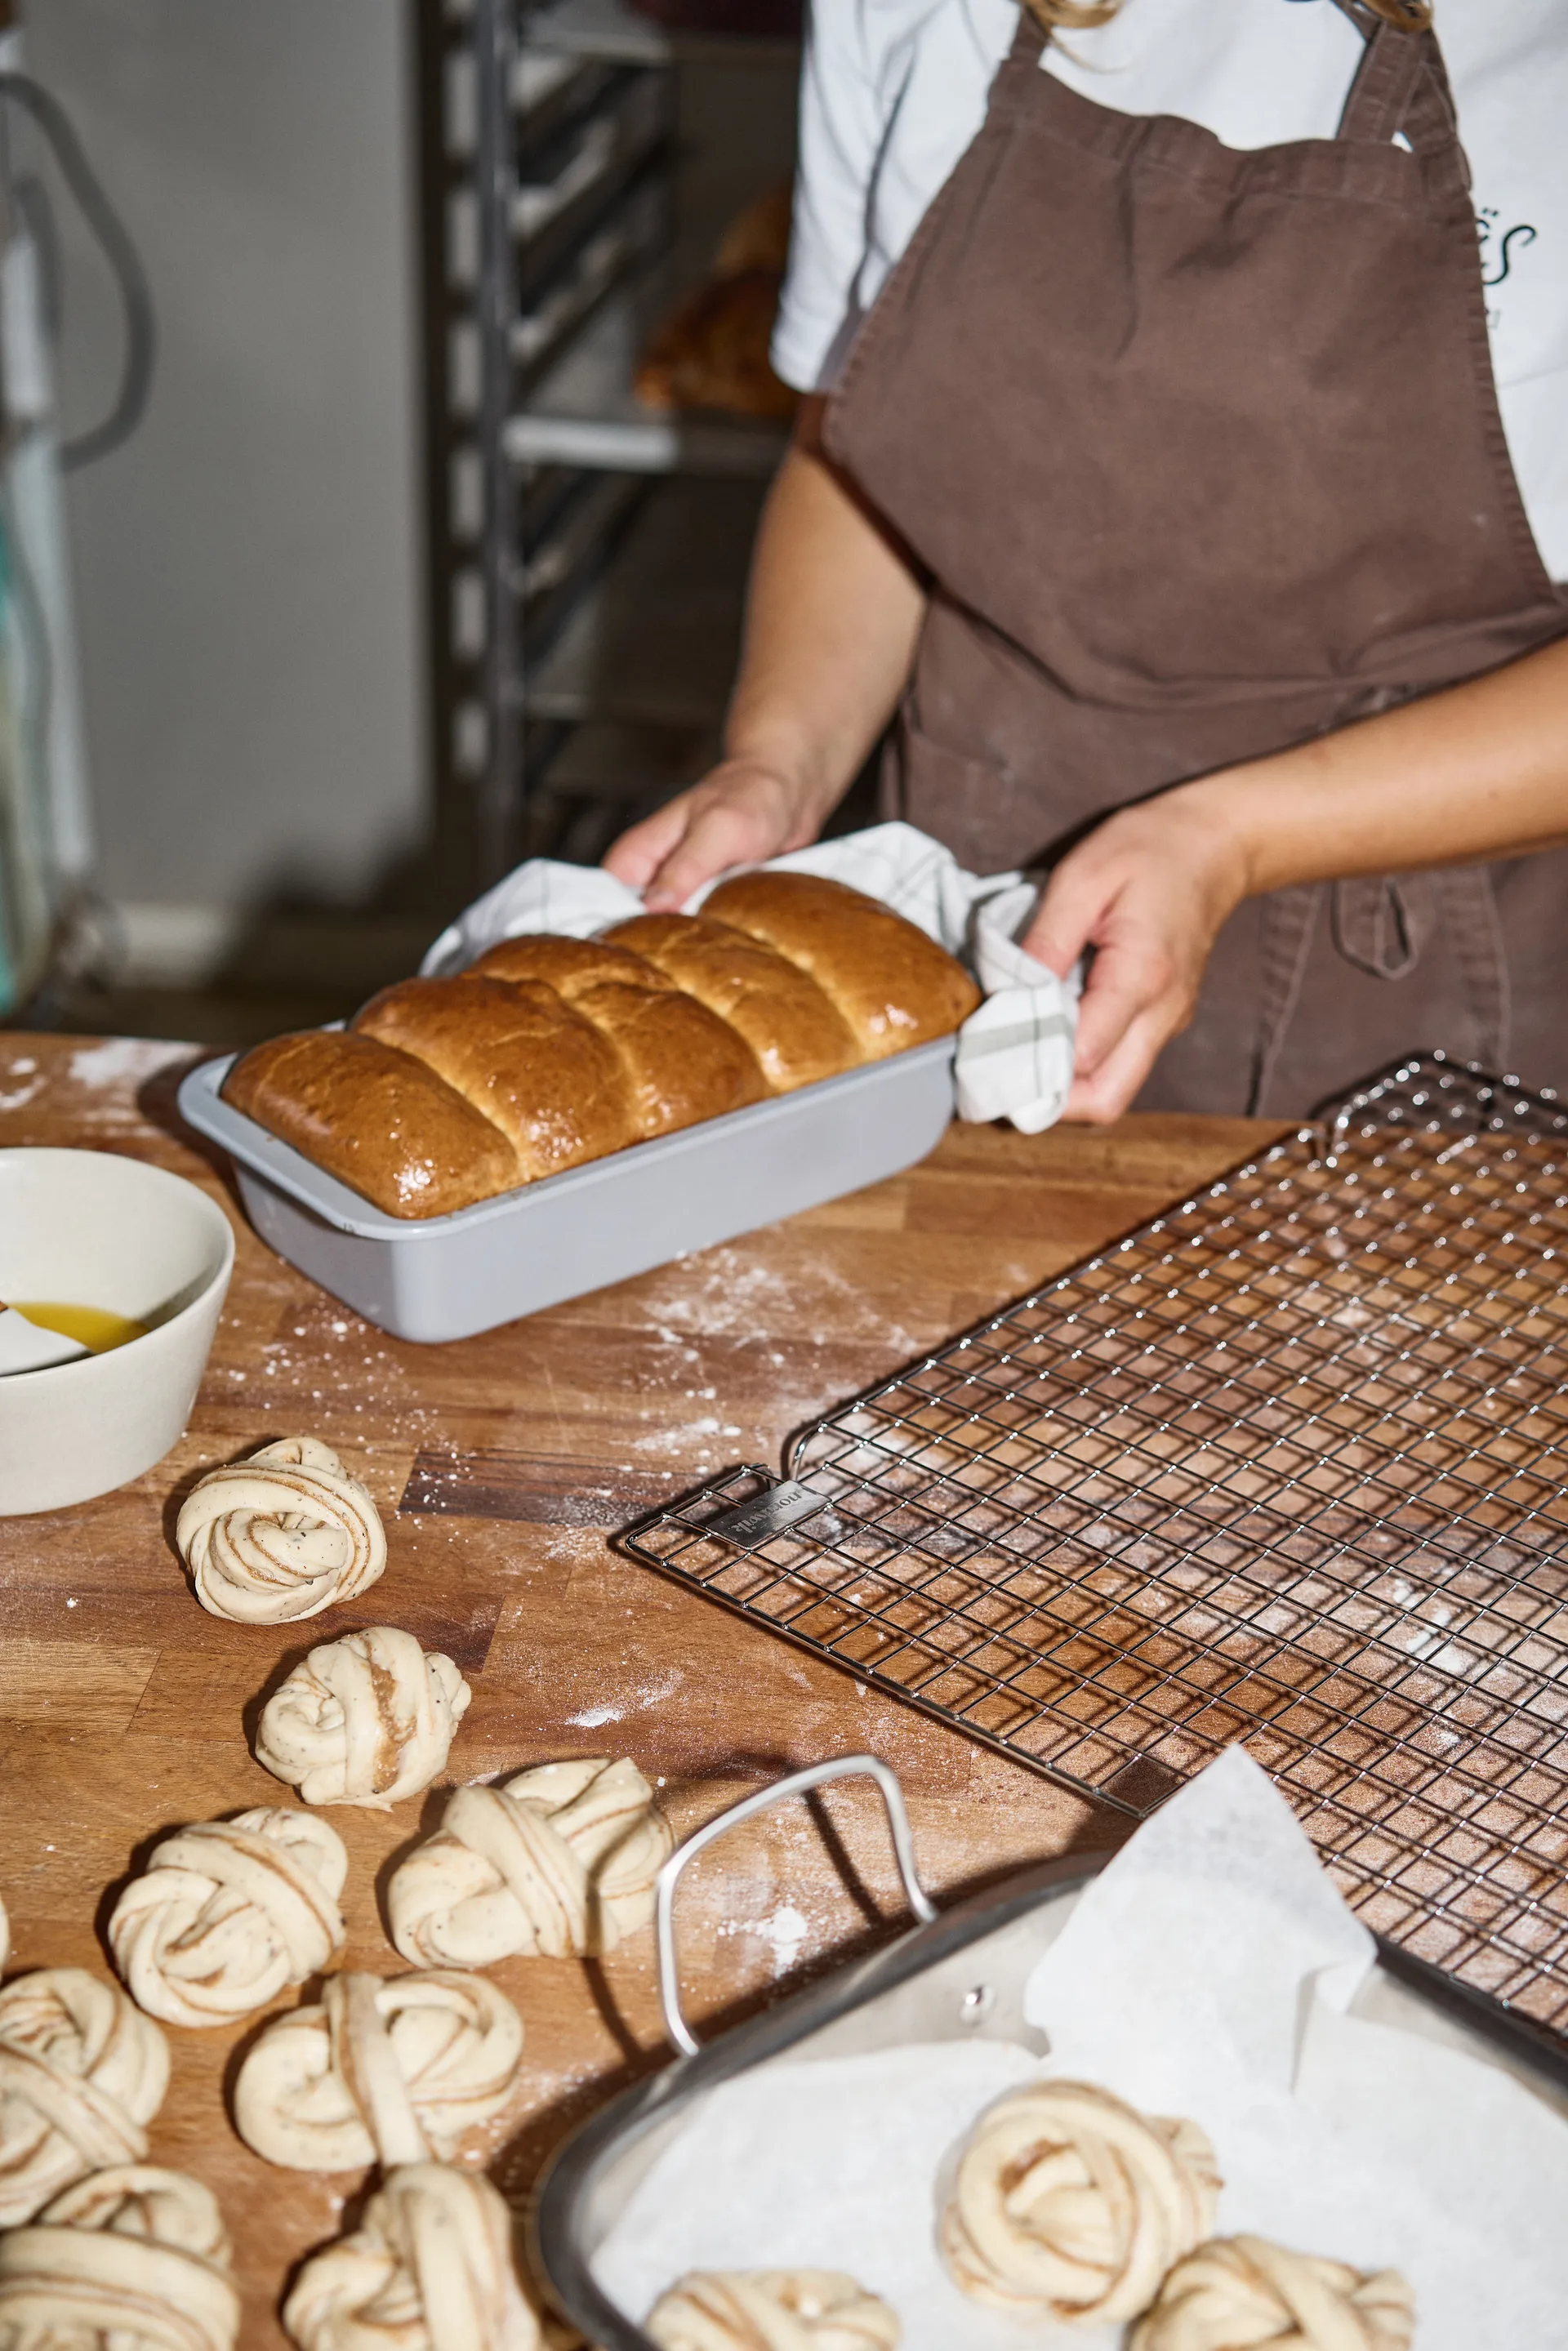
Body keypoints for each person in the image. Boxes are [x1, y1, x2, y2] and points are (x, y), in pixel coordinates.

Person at [604, 0, 1568, 1121]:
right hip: (969, 930)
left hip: (1415, 1017)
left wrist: (1229, 838)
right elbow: (858, 452)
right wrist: (780, 760)